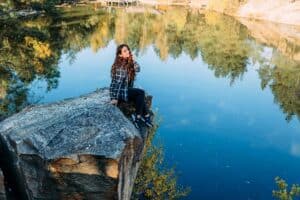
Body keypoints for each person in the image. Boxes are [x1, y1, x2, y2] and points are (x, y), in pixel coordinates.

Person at [109, 44, 153, 129]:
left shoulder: (128, 62)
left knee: (139, 96)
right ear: (120, 54)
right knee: (141, 92)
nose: (128, 51)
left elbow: (138, 69)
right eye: (125, 51)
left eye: (128, 50)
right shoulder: (120, 66)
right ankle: (139, 117)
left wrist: (133, 60)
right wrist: (114, 98)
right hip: (120, 91)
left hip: (126, 89)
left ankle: (145, 116)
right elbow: (117, 83)